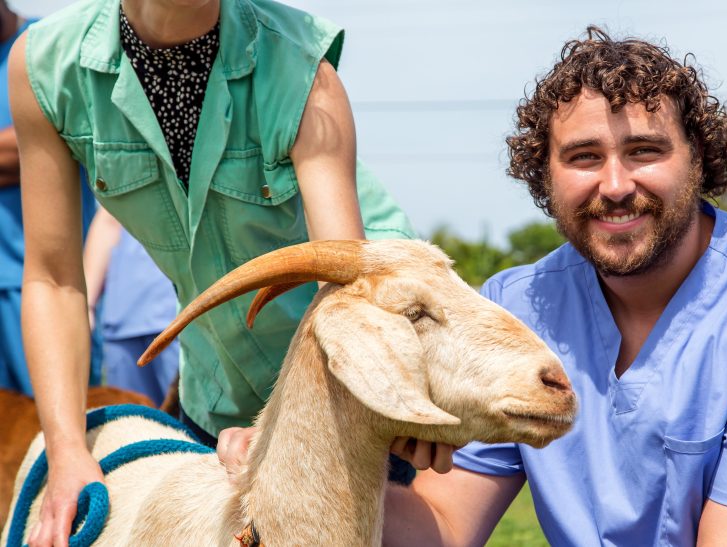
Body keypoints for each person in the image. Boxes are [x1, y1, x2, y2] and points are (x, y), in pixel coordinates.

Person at [381, 27, 727, 545]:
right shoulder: (517, 308)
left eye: (644, 151)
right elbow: (443, 527)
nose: (615, 186)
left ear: (699, 160)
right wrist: (343, 452)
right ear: (545, 173)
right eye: (584, 156)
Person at [9, 0, 417, 544]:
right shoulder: (45, 66)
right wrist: (65, 452)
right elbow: (55, 278)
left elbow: (341, 288)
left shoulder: (301, 66)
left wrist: (287, 428)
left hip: (349, 383)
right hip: (215, 392)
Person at [0, 1, 102, 397]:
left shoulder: (48, 49)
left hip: (49, 286)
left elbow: (55, 139)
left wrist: (34, 144)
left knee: (69, 422)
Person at [83, 206, 179, 407]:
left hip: (179, 318)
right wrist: (87, 304)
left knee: (191, 426)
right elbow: (108, 218)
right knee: (130, 422)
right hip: (123, 318)